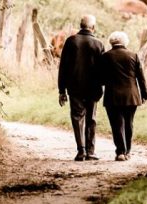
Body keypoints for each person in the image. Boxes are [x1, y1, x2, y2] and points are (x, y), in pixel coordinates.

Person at [57, 14, 105, 161]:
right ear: (93, 27)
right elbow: (103, 69)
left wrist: (62, 90)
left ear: (80, 25)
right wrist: (102, 85)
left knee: (77, 118)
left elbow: (63, 67)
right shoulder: (98, 44)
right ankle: (91, 152)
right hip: (93, 88)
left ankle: (81, 151)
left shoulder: (71, 41)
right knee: (91, 118)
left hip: (75, 88)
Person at [98, 31, 147, 161]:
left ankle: (120, 151)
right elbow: (141, 78)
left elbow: (101, 78)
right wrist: (144, 94)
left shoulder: (105, 56)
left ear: (111, 42)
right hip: (131, 96)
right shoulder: (133, 56)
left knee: (116, 124)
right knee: (129, 123)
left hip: (112, 96)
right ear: (125, 42)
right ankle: (127, 151)